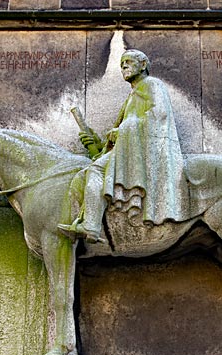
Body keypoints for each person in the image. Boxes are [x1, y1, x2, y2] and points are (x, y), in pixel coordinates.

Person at [58, 49, 188, 243]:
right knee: (91, 170)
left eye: (128, 62)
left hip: (146, 152)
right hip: (132, 149)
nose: (124, 66)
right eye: (121, 64)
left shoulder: (151, 84)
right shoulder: (133, 95)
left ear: (143, 65)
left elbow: (159, 115)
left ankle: (91, 226)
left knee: (95, 171)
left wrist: (123, 130)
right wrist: (97, 143)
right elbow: (122, 135)